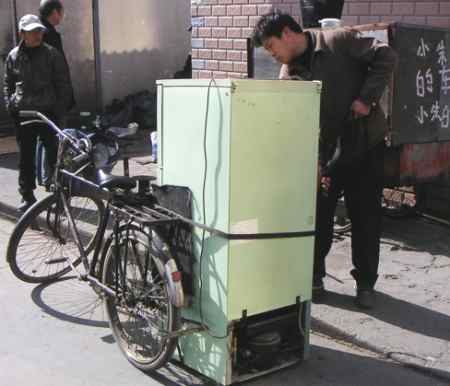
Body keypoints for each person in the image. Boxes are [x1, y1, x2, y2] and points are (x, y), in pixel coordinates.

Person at [252, 11, 398, 309]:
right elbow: (290, 120)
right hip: (326, 152)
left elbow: (386, 56)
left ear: (287, 34)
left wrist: (366, 99)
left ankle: (366, 283)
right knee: (317, 215)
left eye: (271, 46)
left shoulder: (338, 41)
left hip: (364, 145)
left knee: (365, 217)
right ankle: (314, 277)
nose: (272, 54)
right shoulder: (288, 73)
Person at [3, 14, 73, 211]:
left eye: (38, 31)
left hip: (47, 113)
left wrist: (59, 110)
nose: (36, 34)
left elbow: (63, 84)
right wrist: (11, 105)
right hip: (23, 114)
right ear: (22, 33)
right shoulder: (14, 56)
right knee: (25, 157)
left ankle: (59, 195)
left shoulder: (52, 54)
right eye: (32, 31)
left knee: (53, 155)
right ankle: (27, 197)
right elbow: (8, 83)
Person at [39, 0, 75, 111]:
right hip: (53, 99)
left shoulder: (40, 31)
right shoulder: (48, 35)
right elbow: (57, 69)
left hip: (46, 98)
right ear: (55, 12)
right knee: (57, 127)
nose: (62, 16)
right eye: (61, 12)